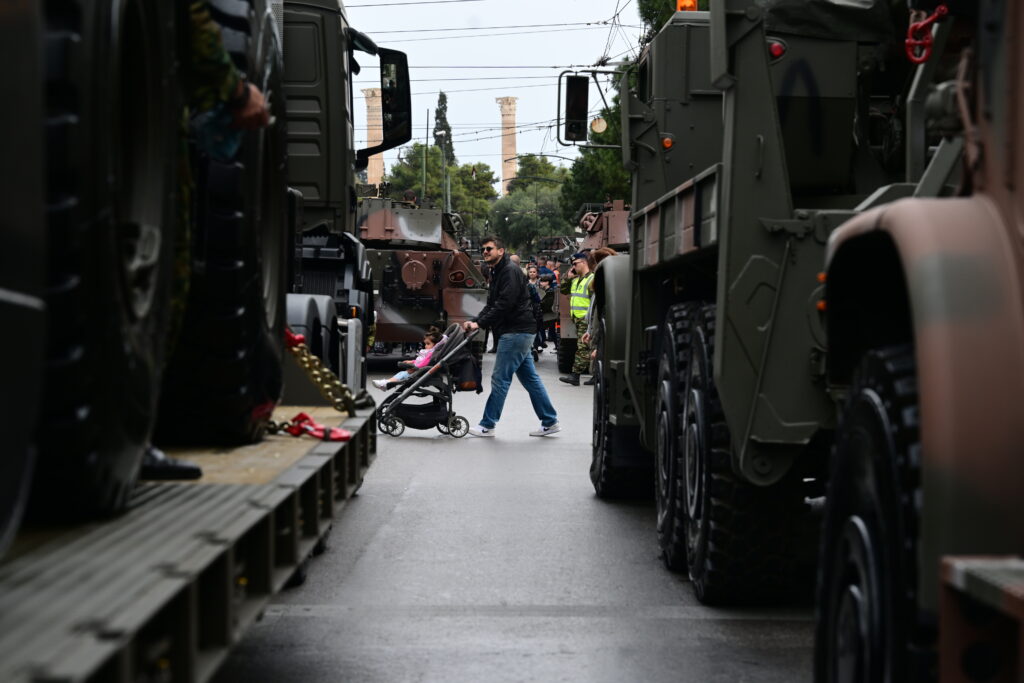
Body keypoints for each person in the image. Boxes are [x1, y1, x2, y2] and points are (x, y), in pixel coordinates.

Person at [463, 237, 559, 437]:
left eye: (489, 248)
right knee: (530, 379)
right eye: (483, 249)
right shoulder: (497, 271)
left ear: (501, 250)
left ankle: (487, 424)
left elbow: (504, 304)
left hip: (516, 331)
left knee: (500, 379)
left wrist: (480, 323)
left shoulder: (509, 271)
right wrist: (475, 320)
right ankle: (550, 421)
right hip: (518, 331)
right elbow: (492, 304)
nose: (485, 252)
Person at [559, 252, 594, 386]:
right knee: (589, 347)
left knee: (582, 347)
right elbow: (563, 290)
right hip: (577, 318)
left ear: (584, 262)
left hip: (587, 319)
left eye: (575, 264)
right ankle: (596, 375)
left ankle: (575, 375)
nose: (573, 267)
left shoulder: (592, 279)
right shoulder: (575, 280)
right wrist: (567, 278)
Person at [372, 331, 442, 390]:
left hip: (418, 372)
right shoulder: (429, 352)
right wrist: (412, 362)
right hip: (418, 371)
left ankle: (385, 383)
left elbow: (424, 363)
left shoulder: (430, 353)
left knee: (402, 375)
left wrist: (415, 367)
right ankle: (386, 384)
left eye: (428, 344)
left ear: (436, 345)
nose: (425, 346)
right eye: (425, 344)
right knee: (401, 374)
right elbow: (421, 361)